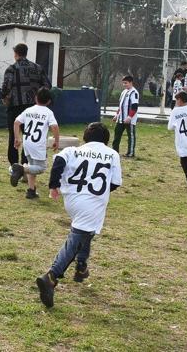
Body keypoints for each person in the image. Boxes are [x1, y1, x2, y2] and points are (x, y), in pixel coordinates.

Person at [35, 122, 122, 308]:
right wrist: (99, 192)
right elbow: (115, 183)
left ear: (85, 138)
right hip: (92, 201)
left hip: (72, 200)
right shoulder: (112, 154)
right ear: (106, 140)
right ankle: (51, 276)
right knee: (78, 237)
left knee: (85, 233)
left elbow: (58, 161)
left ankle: (81, 267)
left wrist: (53, 185)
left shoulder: (73, 150)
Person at [1, 43, 51, 168]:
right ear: (26, 53)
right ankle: (25, 164)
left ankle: (14, 165)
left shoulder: (12, 69)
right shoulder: (38, 68)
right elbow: (47, 86)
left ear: (16, 54)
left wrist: (3, 97)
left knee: (14, 136)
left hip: (15, 107)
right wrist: (37, 96)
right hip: (33, 107)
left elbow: (6, 87)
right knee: (28, 136)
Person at [10, 87, 59, 199]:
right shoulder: (48, 112)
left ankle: (31, 191)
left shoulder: (29, 110)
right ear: (49, 101)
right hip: (38, 145)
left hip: (27, 142)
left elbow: (16, 122)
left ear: (36, 98)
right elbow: (55, 127)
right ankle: (21, 169)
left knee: (32, 166)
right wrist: (56, 141)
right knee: (41, 168)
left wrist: (17, 138)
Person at [111, 75, 139, 158]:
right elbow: (121, 105)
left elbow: (134, 106)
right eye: (123, 83)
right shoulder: (123, 92)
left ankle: (130, 153)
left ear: (131, 82)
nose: (124, 85)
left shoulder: (134, 92)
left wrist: (130, 117)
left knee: (131, 136)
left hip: (129, 119)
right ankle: (114, 152)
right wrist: (116, 115)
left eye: (126, 83)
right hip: (120, 119)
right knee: (117, 135)